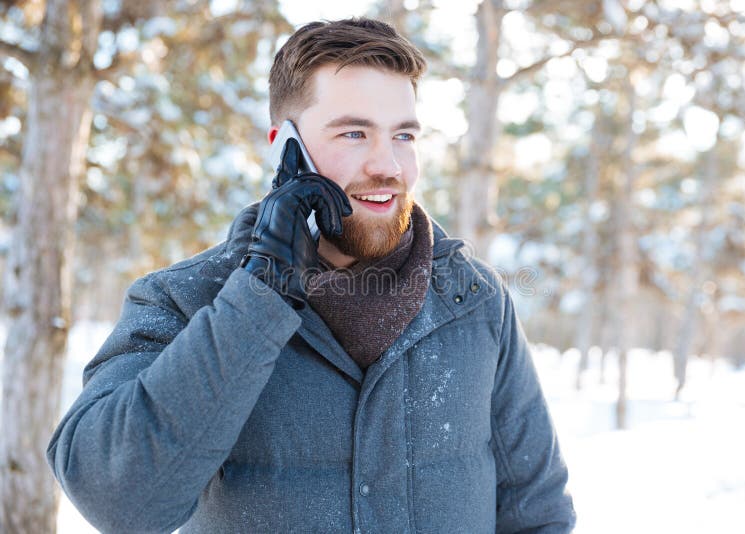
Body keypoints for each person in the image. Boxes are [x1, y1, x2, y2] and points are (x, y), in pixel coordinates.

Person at [47, 18, 576, 533]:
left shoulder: (476, 301)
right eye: (353, 133)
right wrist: (257, 298)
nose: (387, 165)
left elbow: (539, 513)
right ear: (285, 147)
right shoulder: (184, 298)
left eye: (404, 136)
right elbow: (118, 503)